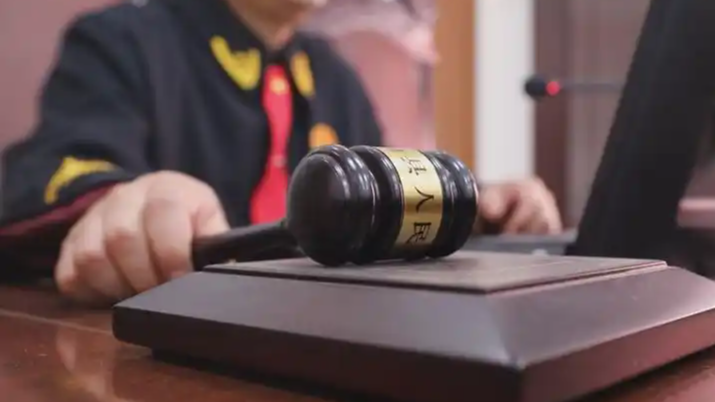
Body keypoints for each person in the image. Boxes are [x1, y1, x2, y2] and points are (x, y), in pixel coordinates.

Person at [0, 0, 561, 305]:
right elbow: (46, 172)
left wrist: (478, 202)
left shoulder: (332, 72)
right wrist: (118, 202)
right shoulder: (126, 38)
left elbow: (380, 198)